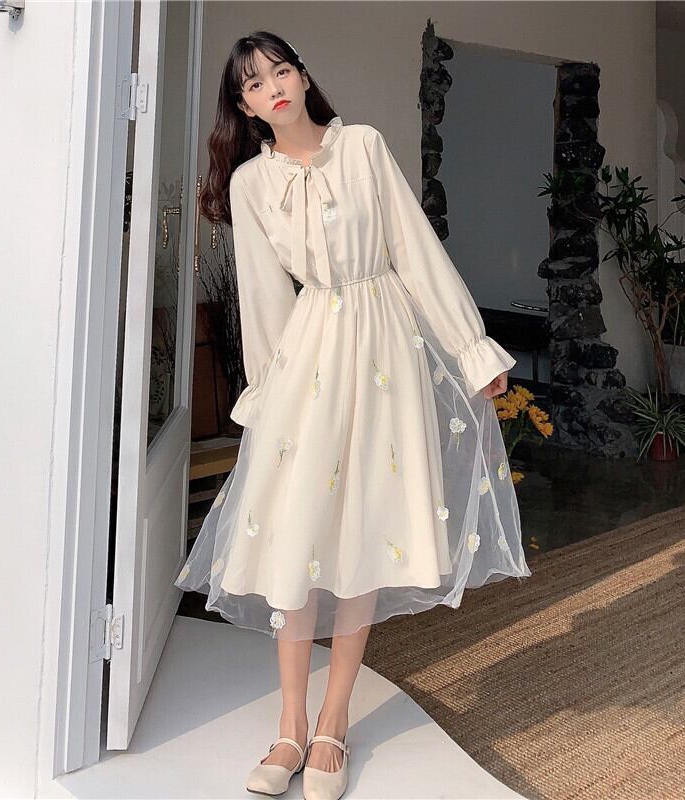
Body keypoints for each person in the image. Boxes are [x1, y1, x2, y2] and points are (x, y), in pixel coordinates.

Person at [175, 31, 532, 799]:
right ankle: (290, 724)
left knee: (367, 523)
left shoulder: (363, 147)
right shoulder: (251, 184)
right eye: (253, 82)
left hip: (384, 348)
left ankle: (333, 720)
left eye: (280, 70)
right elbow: (263, 297)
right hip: (310, 354)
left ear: (303, 78)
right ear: (243, 106)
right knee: (297, 529)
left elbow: (415, 251)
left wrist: (471, 349)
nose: (272, 86)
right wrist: (267, 396)